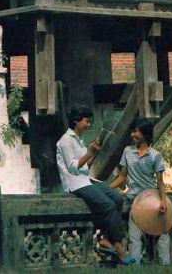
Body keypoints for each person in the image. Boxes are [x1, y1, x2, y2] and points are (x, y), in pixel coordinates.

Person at [56, 104, 134, 265]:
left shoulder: (79, 139)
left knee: (117, 198)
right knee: (108, 205)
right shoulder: (65, 141)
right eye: (87, 121)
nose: (89, 125)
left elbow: (85, 167)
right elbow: (72, 167)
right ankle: (118, 246)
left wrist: (94, 154)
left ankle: (106, 238)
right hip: (74, 183)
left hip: (86, 179)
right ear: (76, 121)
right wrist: (89, 153)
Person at [110, 117, 170, 266]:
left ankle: (165, 265)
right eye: (132, 131)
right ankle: (135, 267)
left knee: (162, 234)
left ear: (144, 133)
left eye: (135, 131)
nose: (132, 134)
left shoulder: (155, 155)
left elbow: (160, 181)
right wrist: (108, 188)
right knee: (134, 236)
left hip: (152, 201)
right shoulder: (127, 151)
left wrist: (163, 201)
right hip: (135, 201)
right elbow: (122, 176)